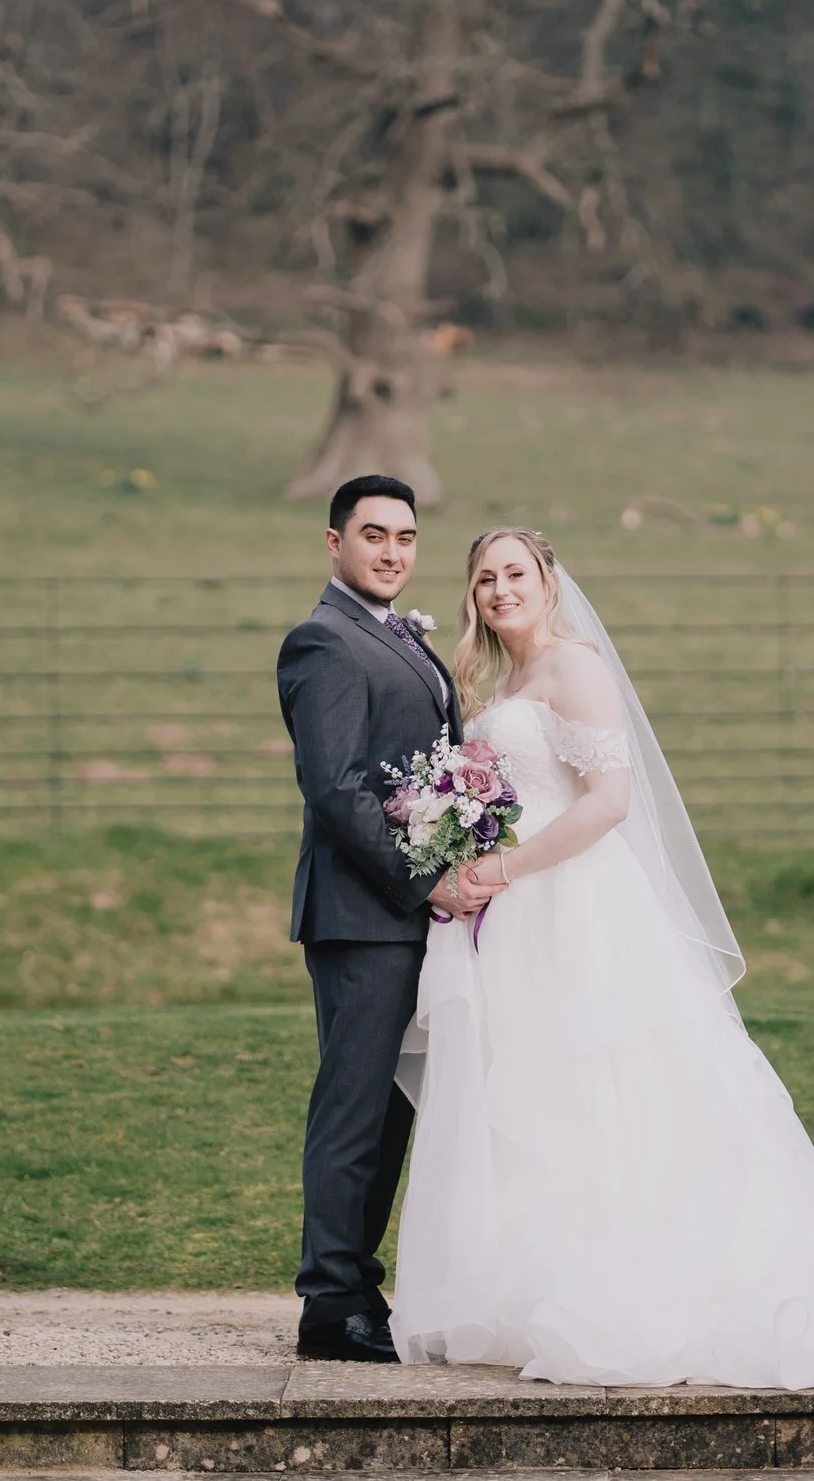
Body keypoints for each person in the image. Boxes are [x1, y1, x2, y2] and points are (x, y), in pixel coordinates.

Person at [387, 527, 814, 1388]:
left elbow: (608, 803)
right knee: (539, 1091)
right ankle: (542, 1287)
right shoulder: (507, 680)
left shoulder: (574, 668)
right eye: (486, 578)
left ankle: (629, 1286)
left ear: (548, 582)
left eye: (516, 574)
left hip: (574, 904)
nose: (500, 590)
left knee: (608, 1082)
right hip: (519, 917)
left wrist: (499, 865)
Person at [275, 475, 505, 1362]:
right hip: (362, 917)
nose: (393, 551)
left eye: (405, 537)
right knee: (353, 1108)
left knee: (391, 1114)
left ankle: (359, 1285)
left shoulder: (398, 636)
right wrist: (429, 881)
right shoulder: (322, 642)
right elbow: (334, 790)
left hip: (410, 917)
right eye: (373, 535)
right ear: (334, 543)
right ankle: (329, 1303)